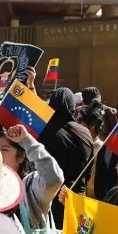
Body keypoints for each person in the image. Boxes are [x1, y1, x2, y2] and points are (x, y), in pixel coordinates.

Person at [0, 124, 65, 234]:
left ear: (21, 157)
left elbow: (54, 178)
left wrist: (26, 141)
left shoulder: (30, 186)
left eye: (4, 149)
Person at [41, 87, 94, 224]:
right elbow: (88, 170)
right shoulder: (85, 133)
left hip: (48, 199)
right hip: (76, 198)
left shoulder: (43, 131)